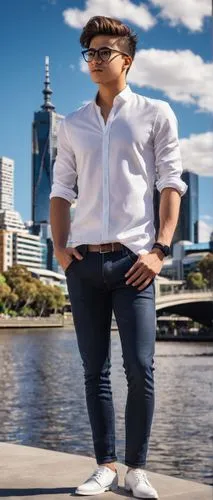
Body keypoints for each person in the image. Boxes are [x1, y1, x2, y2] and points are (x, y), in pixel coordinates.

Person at [49, 15, 187, 499]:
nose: (94, 60)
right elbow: (61, 190)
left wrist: (160, 250)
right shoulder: (72, 124)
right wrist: (62, 253)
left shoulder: (156, 113)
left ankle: (138, 469)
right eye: (89, 52)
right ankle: (105, 465)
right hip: (84, 264)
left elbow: (171, 182)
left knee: (141, 367)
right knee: (94, 370)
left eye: (104, 51)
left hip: (135, 262)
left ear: (126, 58)